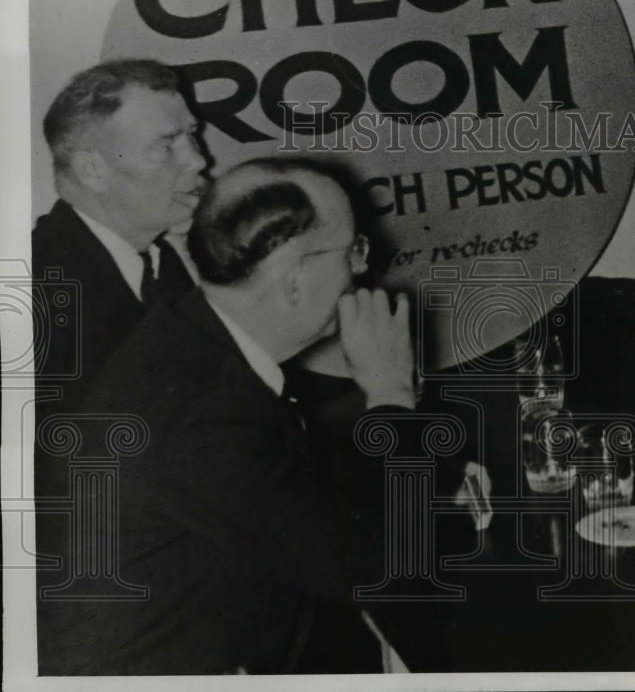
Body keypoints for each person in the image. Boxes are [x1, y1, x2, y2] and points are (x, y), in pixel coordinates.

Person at [35, 158, 431, 674]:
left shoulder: (188, 335)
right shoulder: (206, 419)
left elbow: (291, 488)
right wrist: (391, 394)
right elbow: (387, 571)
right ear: (294, 280)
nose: (361, 269)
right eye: (353, 250)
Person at [33, 59, 207, 405]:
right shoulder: (35, 293)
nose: (198, 161)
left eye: (192, 135)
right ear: (93, 170)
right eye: (167, 144)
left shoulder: (173, 259)